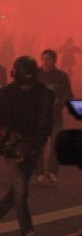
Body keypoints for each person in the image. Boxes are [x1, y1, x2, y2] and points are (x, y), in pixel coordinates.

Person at [0, 55, 55, 236]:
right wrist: (5, 132)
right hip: (12, 145)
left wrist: (32, 146)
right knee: (21, 189)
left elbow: (45, 124)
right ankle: (28, 232)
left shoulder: (44, 94)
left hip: (32, 146)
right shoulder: (7, 93)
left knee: (17, 189)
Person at [34, 48, 74, 187]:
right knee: (39, 146)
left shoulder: (61, 76)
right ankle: (39, 173)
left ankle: (51, 171)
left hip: (55, 116)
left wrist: (61, 102)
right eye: (43, 59)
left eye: (48, 59)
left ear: (54, 60)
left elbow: (69, 95)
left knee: (56, 145)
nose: (45, 62)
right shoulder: (36, 75)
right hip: (39, 117)